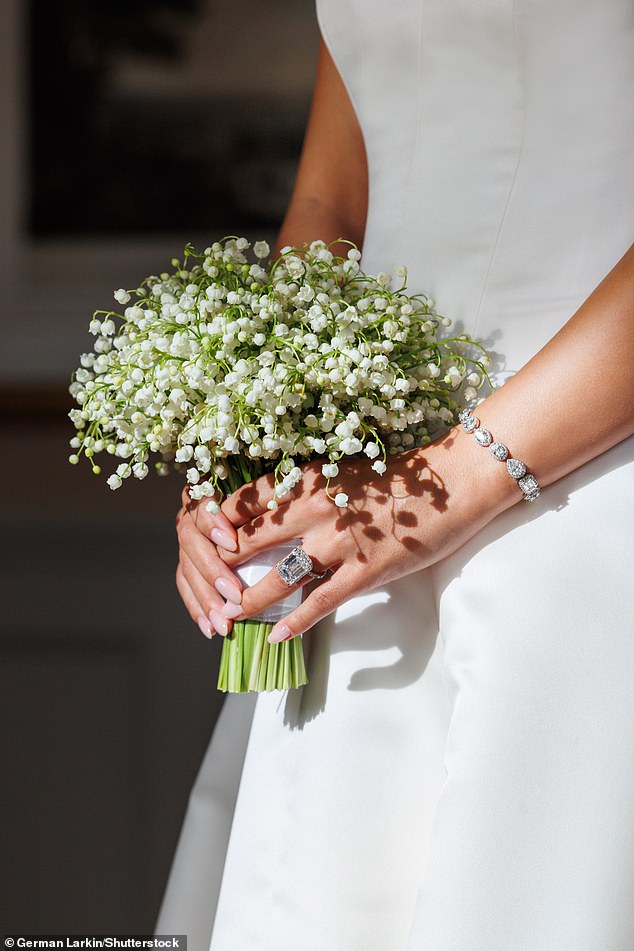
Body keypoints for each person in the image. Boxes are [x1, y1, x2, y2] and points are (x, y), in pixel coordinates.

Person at [156, 1, 634, 948]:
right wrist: (258, 438)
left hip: (588, 467)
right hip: (352, 503)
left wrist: (447, 484)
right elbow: (333, 202)